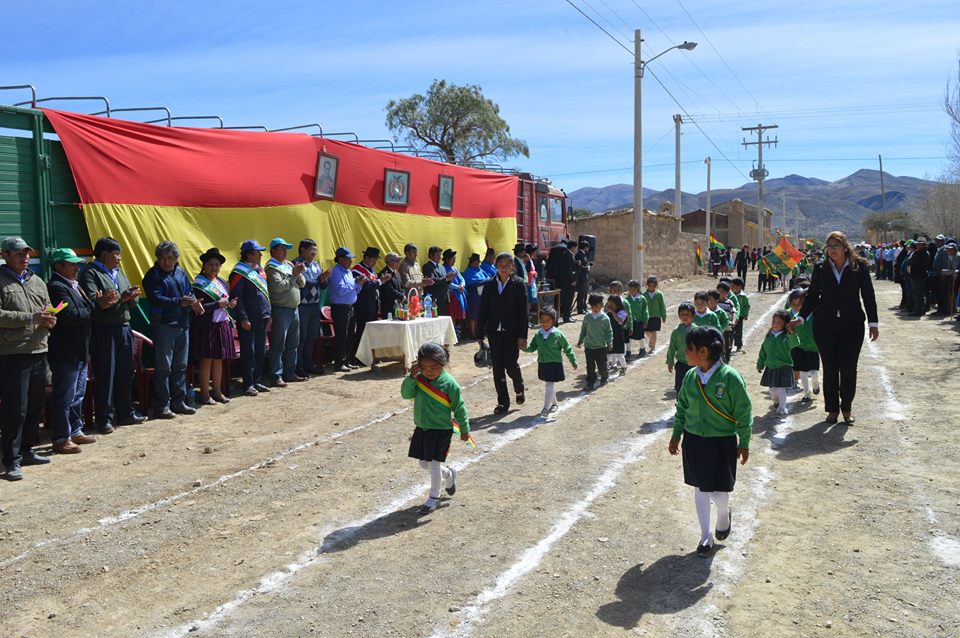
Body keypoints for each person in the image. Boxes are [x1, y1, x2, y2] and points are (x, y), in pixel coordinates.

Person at [668, 325, 752, 555]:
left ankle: (724, 514)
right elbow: (682, 407)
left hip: (721, 442)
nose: (685, 352)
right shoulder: (689, 377)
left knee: (719, 490)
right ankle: (705, 536)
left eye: (689, 348)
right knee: (700, 488)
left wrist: (744, 441)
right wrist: (676, 434)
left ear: (703, 352)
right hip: (694, 441)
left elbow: (744, 412)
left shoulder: (730, 378)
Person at [795, 231, 878, 424]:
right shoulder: (821, 268)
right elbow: (813, 296)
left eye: (835, 246)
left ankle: (847, 408)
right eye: (829, 246)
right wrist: (800, 318)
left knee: (849, 368)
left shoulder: (860, 267)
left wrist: (873, 323)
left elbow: (868, 296)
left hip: (852, 324)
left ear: (845, 247)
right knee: (830, 367)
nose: (831, 250)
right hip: (825, 325)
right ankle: (832, 409)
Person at [0, 237, 55, 480]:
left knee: (35, 405)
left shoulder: (38, 281)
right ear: (4, 255)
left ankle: (27, 449)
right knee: (16, 409)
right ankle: (11, 460)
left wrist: (51, 318)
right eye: (19, 254)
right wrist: (29, 318)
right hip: (13, 353)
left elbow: (49, 308)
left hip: (39, 350)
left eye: (27, 254)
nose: (25, 258)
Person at [81, 236, 146, 431]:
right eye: (116, 253)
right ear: (104, 254)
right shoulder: (91, 274)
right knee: (105, 374)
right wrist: (121, 299)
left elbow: (128, 300)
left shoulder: (119, 273)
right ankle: (104, 419)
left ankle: (125, 413)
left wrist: (131, 298)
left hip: (124, 327)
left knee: (125, 372)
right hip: (104, 330)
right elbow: (94, 303)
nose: (119, 258)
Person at [401, 342, 470, 514]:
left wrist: (464, 429)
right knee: (424, 463)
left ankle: (434, 497)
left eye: (434, 367)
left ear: (443, 364)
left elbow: (459, 407)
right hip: (422, 428)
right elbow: (406, 395)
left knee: (432, 464)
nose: (429, 371)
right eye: (424, 367)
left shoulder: (449, 383)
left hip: (441, 430)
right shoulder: (418, 379)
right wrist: (411, 377)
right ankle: (448, 474)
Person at [143, 240, 201, 418]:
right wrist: (179, 302)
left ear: (176, 258)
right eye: (162, 258)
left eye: (170, 258)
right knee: (164, 368)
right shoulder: (152, 276)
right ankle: (162, 405)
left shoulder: (181, 273)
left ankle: (179, 402)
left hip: (183, 324)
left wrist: (193, 301)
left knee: (180, 366)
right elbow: (156, 298)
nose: (166, 261)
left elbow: (189, 291)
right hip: (164, 326)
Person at [46, 248, 97, 454]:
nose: (77, 268)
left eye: (77, 264)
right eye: (72, 264)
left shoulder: (74, 285)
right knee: (64, 396)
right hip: (65, 351)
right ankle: (61, 438)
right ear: (59, 266)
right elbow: (68, 315)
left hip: (79, 349)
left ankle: (75, 430)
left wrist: (92, 308)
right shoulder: (56, 287)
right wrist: (95, 307)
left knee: (77, 394)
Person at [476, 252, 528, 414]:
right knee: (497, 367)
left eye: (507, 265)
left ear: (512, 267)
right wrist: (479, 333)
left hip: (512, 332)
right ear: (496, 267)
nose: (503, 269)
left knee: (511, 364)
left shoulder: (519, 285)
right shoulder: (490, 285)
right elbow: (483, 310)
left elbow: (523, 312)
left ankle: (519, 386)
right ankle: (503, 402)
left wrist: (523, 335)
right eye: (500, 265)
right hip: (494, 333)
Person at [191, 248, 237, 405]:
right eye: (210, 264)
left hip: (221, 324)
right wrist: (218, 304)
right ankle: (204, 393)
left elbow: (225, 302)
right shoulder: (198, 284)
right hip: (206, 326)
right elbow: (199, 308)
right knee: (206, 360)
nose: (214, 268)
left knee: (219, 359)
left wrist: (229, 304)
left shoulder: (221, 282)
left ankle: (217, 391)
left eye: (217, 265)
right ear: (204, 265)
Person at [230, 239, 272, 396]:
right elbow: (237, 297)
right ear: (248, 254)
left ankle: (257, 380)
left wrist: (269, 313)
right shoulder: (238, 272)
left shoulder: (260, 270)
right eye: (257, 252)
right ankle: (248, 384)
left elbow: (265, 294)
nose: (261, 255)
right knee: (249, 352)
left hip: (262, 316)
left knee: (260, 351)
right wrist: (243, 318)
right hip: (248, 318)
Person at [265, 237, 306, 387]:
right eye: (282, 248)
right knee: (278, 344)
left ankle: (289, 372)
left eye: (286, 248)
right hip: (280, 309)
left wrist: (297, 274)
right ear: (273, 250)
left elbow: (302, 282)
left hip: (294, 309)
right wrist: (294, 275)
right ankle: (276, 375)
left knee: (292, 344)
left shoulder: (288, 264)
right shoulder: (271, 267)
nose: (285, 251)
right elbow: (278, 287)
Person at [524, 308, 577, 419]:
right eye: (542, 320)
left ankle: (545, 408)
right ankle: (555, 403)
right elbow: (532, 347)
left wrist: (573, 360)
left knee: (549, 384)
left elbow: (567, 348)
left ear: (554, 321)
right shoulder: (538, 334)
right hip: (543, 364)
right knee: (549, 384)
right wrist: (523, 347)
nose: (544, 323)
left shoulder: (558, 334)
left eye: (547, 320)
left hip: (554, 364)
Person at [294, 239, 331, 376]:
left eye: (315, 250)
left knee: (312, 337)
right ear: (302, 250)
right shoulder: (297, 264)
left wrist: (325, 279)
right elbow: (305, 283)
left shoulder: (316, 265)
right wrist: (320, 279)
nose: (314, 253)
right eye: (311, 250)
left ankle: (309, 364)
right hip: (302, 305)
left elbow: (322, 286)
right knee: (302, 338)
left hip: (315, 305)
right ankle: (299, 366)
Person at [329, 246, 363, 372]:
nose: (350, 261)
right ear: (340, 259)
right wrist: (356, 283)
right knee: (341, 336)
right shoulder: (336, 272)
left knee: (349, 336)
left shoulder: (348, 272)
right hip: (340, 308)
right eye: (348, 259)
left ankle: (347, 360)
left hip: (350, 307)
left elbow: (354, 289)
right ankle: (339, 363)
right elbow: (340, 290)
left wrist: (359, 284)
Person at [758, 309, 795, 416]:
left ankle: (782, 407)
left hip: (784, 367)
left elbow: (794, 343)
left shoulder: (786, 336)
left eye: (779, 322)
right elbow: (763, 351)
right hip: (771, 367)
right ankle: (776, 402)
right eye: (774, 321)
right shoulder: (769, 337)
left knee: (781, 389)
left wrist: (791, 333)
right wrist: (760, 364)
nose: (775, 324)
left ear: (785, 324)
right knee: (772, 390)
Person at [352, 247, 387, 357]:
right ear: (366, 258)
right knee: (362, 331)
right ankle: (359, 356)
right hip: (363, 305)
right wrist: (381, 281)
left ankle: (370, 355)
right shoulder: (357, 270)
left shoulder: (371, 270)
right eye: (373, 259)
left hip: (373, 305)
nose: (375, 262)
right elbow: (365, 287)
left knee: (371, 332)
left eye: (376, 259)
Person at [787, 288, 820, 402]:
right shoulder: (795, 319)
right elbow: (791, 333)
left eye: (801, 303)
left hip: (814, 348)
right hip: (800, 348)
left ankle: (815, 385)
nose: (799, 306)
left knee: (814, 373)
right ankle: (807, 393)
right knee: (803, 373)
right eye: (796, 304)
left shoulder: (817, 316)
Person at [576, 293, 612, 390]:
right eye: (592, 306)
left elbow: (608, 332)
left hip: (601, 347)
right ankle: (590, 382)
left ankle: (604, 376)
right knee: (590, 366)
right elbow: (583, 330)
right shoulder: (587, 317)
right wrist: (580, 340)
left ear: (601, 305)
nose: (595, 308)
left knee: (602, 365)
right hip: (589, 347)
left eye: (597, 306)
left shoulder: (605, 318)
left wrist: (609, 342)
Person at [666, 302, 696, 393]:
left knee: (693, 386)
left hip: (695, 364)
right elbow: (672, 347)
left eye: (687, 314)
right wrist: (670, 361)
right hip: (681, 364)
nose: (685, 316)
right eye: (682, 314)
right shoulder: (676, 332)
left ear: (693, 316)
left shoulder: (697, 330)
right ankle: (680, 404)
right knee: (680, 386)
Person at [546, 239, 577, 323]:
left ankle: (558, 316)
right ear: (573, 247)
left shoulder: (555, 250)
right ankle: (566, 316)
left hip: (555, 277)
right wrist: (572, 280)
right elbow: (569, 269)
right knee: (567, 298)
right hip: (567, 281)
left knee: (559, 298)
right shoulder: (567, 254)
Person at [461, 253, 489, 339]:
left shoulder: (480, 269)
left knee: (480, 315)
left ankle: (478, 332)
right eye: (475, 263)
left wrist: (483, 281)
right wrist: (483, 281)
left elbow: (488, 277)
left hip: (482, 294)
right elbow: (471, 283)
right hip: (474, 295)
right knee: (473, 315)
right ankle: (473, 333)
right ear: (471, 263)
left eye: (478, 263)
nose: (477, 265)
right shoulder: (468, 271)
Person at [442, 249, 467, 337]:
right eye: (453, 259)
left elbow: (462, 278)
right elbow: (447, 283)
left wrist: (462, 285)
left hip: (459, 294)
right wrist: (457, 287)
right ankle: (453, 336)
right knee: (452, 315)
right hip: (451, 294)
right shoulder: (443, 269)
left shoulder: (454, 268)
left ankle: (457, 334)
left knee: (457, 316)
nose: (455, 260)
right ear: (447, 259)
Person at [422, 246, 452, 316]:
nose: (440, 257)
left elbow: (445, 280)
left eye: (440, 255)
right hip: (434, 300)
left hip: (444, 299)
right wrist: (446, 278)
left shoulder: (442, 267)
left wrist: (450, 279)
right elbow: (431, 280)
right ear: (431, 255)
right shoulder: (427, 266)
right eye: (437, 255)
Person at [624, 280, 648, 359]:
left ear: (638, 289)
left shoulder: (642, 299)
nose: (632, 291)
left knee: (640, 336)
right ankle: (628, 351)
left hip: (638, 321)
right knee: (628, 337)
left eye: (634, 289)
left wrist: (645, 320)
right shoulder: (626, 300)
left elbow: (645, 310)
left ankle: (642, 349)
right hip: (629, 322)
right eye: (630, 289)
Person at [378, 251, 405, 320]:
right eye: (397, 260)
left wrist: (402, 295)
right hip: (388, 308)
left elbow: (402, 287)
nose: (399, 262)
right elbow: (388, 290)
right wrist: (401, 296)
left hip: (398, 306)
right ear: (390, 261)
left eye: (399, 260)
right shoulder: (384, 273)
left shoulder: (397, 272)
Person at [643, 276, 667, 351]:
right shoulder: (644, 295)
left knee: (654, 332)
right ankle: (651, 339)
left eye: (653, 286)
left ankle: (652, 347)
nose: (651, 287)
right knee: (646, 331)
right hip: (647, 317)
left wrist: (663, 316)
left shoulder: (659, 294)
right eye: (649, 285)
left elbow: (662, 306)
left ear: (656, 286)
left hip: (656, 316)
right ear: (647, 285)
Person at [606, 294, 628, 375]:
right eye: (609, 304)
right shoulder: (608, 313)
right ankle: (606, 367)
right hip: (610, 336)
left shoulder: (622, 312)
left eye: (611, 304)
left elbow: (620, 320)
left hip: (618, 336)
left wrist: (612, 312)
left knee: (619, 354)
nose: (609, 305)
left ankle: (624, 366)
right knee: (608, 354)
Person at [730, 277, 749, 352]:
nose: (731, 287)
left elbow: (746, 306)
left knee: (738, 331)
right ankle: (729, 345)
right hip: (732, 316)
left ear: (739, 287)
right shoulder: (730, 296)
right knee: (730, 331)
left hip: (740, 317)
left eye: (733, 286)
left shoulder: (743, 296)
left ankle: (738, 345)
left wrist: (745, 314)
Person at [574, 240, 591, 315]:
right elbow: (579, 267)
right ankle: (580, 309)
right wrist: (587, 268)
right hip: (581, 278)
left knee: (585, 293)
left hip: (585, 277)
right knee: (581, 294)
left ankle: (584, 307)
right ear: (585, 247)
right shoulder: (579, 255)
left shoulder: (583, 254)